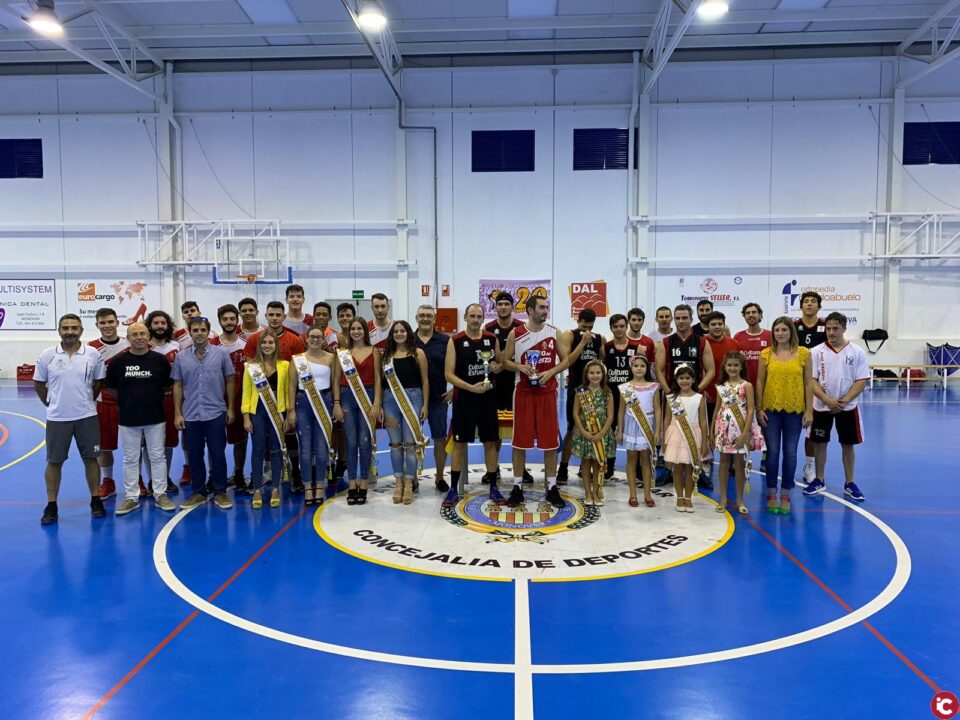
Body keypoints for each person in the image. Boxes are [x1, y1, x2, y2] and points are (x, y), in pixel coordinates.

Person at [502, 295, 590, 509]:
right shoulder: (517, 333)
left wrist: (551, 371)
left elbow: (566, 359)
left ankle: (551, 488)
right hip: (523, 393)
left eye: (547, 307)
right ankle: (517, 487)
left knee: (550, 443)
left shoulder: (554, 332)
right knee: (519, 443)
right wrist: (520, 367)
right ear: (530, 310)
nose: (545, 310)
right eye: (541, 307)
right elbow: (504, 360)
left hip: (547, 393)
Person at [34, 314, 107, 526]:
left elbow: (98, 382)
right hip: (57, 418)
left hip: (87, 417)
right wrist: (51, 404)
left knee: (91, 459)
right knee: (54, 461)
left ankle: (95, 500)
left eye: (74, 328)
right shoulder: (47, 355)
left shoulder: (92, 354)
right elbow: (39, 384)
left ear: (81, 331)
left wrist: (86, 401)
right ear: (59, 330)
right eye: (66, 328)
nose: (70, 332)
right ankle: (51, 505)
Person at [105, 322, 176, 515]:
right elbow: (111, 388)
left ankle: (160, 494)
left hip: (155, 417)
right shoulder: (117, 362)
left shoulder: (159, 360)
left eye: (142, 334)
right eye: (134, 334)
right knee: (130, 458)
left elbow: (166, 386)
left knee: (157, 456)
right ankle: (131, 497)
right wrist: (129, 400)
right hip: (128, 418)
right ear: (128, 338)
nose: (138, 337)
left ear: (148, 336)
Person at [443, 304, 505, 508]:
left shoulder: (491, 339)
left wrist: (497, 366)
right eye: (472, 316)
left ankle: (494, 486)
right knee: (460, 444)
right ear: (466, 317)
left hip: (487, 398)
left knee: (490, 442)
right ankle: (453, 489)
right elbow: (449, 374)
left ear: (483, 317)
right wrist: (470, 387)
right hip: (465, 399)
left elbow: (499, 364)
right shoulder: (456, 340)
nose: (476, 319)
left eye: (479, 316)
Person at [805, 312, 869, 502]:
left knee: (848, 445)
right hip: (822, 406)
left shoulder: (856, 352)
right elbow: (812, 380)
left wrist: (844, 400)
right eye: (828, 328)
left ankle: (850, 483)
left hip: (847, 407)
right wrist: (827, 399)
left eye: (835, 329)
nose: (831, 332)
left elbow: (861, 380)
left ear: (844, 328)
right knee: (820, 443)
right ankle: (819, 479)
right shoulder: (816, 351)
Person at [173, 317, 236, 510]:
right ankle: (198, 492)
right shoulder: (181, 357)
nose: (199, 333)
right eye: (195, 330)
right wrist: (178, 413)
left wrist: (231, 407)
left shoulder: (221, 354)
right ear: (190, 332)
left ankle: (220, 491)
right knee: (194, 455)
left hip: (215, 412)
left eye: (202, 330)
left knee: (217, 454)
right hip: (191, 414)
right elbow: (177, 384)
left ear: (208, 332)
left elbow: (230, 380)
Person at [243, 301, 306, 491]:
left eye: (278, 315)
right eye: (271, 315)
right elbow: (248, 387)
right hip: (258, 408)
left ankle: (293, 475)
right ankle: (258, 482)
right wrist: (246, 415)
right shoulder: (253, 343)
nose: (275, 318)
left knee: (286, 443)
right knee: (259, 448)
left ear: (283, 316)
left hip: (282, 406)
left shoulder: (293, 342)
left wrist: (290, 410)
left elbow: (295, 378)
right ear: (266, 316)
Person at [755, 317, 813, 515]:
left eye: (784, 330)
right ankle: (771, 492)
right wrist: (759, 408)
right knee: (772, 453)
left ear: (791, 332)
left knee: (790, 452)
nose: (780, 333)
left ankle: (786, 492)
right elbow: (760, 382)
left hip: (795, 410)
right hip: (770, 409)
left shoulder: (804, 354)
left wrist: (809, 410)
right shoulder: (766, 354)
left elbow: (808, 384)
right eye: (777, 330)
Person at [655, 304, 716, 490]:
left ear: (691, 319)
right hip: (674, 397)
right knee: (672, 432)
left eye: (684, 318)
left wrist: (698, 389)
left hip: (694, 397)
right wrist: (668, 392)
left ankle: (701, 470)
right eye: (678, 318)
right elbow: (658, 369)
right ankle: (667, 470)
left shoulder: (702, 341)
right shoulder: (666, 342)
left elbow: (711, 370)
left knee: (698, 431)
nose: (681, 321)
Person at [332, 317, 382, 505]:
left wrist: (376, 403)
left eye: (359, 328)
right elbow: (336, 380)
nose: (356, 331)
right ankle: (352, 483)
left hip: (368, 396)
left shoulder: (375, 351)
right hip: (346, 397)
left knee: (365, 441)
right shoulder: (342, 353)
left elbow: (378, 379)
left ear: (365, 331)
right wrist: (336, 402)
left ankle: (363, 483)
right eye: (353, 328)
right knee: (351, 442)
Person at [242, 333, 293, 509]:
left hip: (277, 412)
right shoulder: (251, 367)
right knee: (258, 450)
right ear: (259, 345)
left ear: (276, 345)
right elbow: (246, 392)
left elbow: (287, 392)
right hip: (257, 412)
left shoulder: (285, 365)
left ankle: (275, 488)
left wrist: (287, 414)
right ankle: (257, 488)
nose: (267, 345)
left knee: (276, 450)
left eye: (271, 342)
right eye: (264, 342)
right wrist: (246, 416)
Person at [381, 320, 429, 505]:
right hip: (390, 400)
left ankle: (409, 483)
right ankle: (398, 483)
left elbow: (425, 381)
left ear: (409, 333)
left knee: (410, 444)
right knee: (394, 444)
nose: (399, 334)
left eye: (403, 330)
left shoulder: (418, 354)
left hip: (414, 399)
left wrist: (424, 404)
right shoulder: (386, 357)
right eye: (396, 331)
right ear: (392, 334)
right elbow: (382, 383)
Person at [289, 325, 337, 505]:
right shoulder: (298, 360)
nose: (316, 340)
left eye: (319, 337)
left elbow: (335, 383)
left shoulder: (332, 358)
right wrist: (291, 410)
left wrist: (336, 404)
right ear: (307, 339)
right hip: (303, 403)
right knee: (306, 448)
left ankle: (320, 485)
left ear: (323, 340)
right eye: (312, 337)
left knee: (322, 447)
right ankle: (308, 485)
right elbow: (292, 385)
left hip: (325, 400)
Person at [711, 351, 764, 515]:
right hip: (723, 429)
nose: (732, 368)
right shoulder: (722, 387)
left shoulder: (746, 385)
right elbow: (718, 408)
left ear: (741, 366)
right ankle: (723, 499)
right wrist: (713, 430)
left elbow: (750, 410)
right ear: (724, 367)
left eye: (735, 365)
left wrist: (745, 433)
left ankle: (740, 499)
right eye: (729, 365)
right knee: (724, 464)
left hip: (740, 430)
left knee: (739, 465)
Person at [484, 292, 528, 483]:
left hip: (518, 383)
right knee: (495, 428)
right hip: (495, 385)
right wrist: (492, 365)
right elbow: (484, 356)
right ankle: (494, 469)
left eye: (506, 304)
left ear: (512, 307)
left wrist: (503, 364)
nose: (503, 307)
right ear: (495, 307)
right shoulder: (488, 328)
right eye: (500, 304)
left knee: (520, 427)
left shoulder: (521, 328)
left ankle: (522, 469)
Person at [558, 309, 604, 485]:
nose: (587, 329)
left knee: (594, 428)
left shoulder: (599, 338)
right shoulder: (570, 335)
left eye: (590, 326)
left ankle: (588, 465)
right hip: (576, 389)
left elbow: (602, 363)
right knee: (572, 429)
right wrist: (582, 343)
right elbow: (567, 361)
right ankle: (563, 466)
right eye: (584, 326)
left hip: (594, 391)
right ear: (578, 321)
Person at [89, 307, 130, 500]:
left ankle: (136, 478)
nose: (107, 326)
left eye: (110, 322)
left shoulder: (129, 343)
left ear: (117, 322)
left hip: (130, 401)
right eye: (103, 323)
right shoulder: (90, 349)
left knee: (134, 444)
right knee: (104, 446)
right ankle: (108, 481)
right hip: (103, 401)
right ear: (97, 325)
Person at [211, 304, 250, 492]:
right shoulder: (211, 345)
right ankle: (215, 475)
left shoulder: (246, 346)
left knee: (240, 440)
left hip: (240, 399)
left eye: (232, 319)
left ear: (237, 320)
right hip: (215, 400)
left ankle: (239, 473)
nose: (229, 322)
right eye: (225, 319)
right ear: (220, 321)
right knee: (214, 441)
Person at [414, 304, 452, 492]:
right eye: (422, 315)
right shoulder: (408, 340)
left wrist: (454, 391)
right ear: (416, 318)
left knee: (439, 438)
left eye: (429, 315)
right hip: (412, 399)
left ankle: (439, 477)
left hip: (439, 398)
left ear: (435, 319)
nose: (425, 318)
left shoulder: (445, 341)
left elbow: (456, 366)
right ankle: (412, 478)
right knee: (412, 440)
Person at [662, 364, 708, 513]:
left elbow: (702, 420)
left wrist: (705, 440)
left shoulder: (699, 398)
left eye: (688, 378)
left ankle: (688, 498)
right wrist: (664, 440)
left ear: (693, 379)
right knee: (678, 467)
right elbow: (667, 418)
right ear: (676, 379)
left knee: (690, 468)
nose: (684, 381)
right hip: (676, 435)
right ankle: (679, 497)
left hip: (693, 435)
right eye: (681, 378)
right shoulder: (671, 398)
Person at [616, 355, 660, 508]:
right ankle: (633, 495)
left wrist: (658, 430)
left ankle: (647, 494)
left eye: (642, 366)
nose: (639, 368)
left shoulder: (654, 386)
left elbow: (658, 409)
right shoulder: (625, 387)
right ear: (631, 368)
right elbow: (621, 410)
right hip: (630, 425)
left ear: (647, 368)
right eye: (636, 366)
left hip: (647, 424)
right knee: (631, 460)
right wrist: (620, 429)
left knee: (646, 461)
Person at [602, 313, 643, 479]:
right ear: (611, 328)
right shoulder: (606, 348)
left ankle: (638, 468)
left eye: (621, 326)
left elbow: (642, 371)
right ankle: (609, 466)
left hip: (630, 395)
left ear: (626, 327)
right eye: (615, 326)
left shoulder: (637, 348)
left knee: (634, 430)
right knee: (610, 433)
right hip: (611, 395)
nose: (619, 329)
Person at [146, 309, 183, 488]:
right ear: (150, 326)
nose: (159, 326)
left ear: (168, 326)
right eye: (156, 323)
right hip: (149, 401)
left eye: (163, 323)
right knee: (149, 443)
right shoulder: (144, 347)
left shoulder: (176, 346)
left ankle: (165, 477)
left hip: (170, 399)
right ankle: (152, 478)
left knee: (167, 441)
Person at [572, 360, 615, 507]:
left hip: (601, 434)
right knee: (586, 463)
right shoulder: (581, 392)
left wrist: (602, 433)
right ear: (586, 375)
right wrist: (583, 431)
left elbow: (610, 416)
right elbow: (576, 413)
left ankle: (596, 492)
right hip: (585, 433)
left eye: (598, 372)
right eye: (592, 373)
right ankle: (587, 492)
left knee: (598, 462)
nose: (595, 376)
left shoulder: (607, 392)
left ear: (603, 374)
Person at [702, 311, 741, 474]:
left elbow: (738, 368)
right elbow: (700, 368)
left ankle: (731, 462)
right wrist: (702, 389)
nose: (717, 327)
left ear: (724, 324)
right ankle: (706, 464)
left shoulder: (733, 343)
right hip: (708, 394)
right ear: (707, 326)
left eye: (720, 324)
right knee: (707, 429)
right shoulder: (702, 342)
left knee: (730, 428)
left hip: (729, 397)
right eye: (713, 324)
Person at [794, 291, 826, 484]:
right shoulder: (794, 326)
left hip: (817, 383)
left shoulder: (825, 326)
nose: (809, 304)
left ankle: (810, 465)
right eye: (806, 301)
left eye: (813, 301)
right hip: (796, 381)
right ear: (801, 306)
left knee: (812, 429)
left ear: (819, 306)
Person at [734, 302, 772, 390]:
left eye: (754, 312)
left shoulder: (770, 335)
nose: (751, 315)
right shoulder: (738, 336)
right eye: (747, 313)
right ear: (744, 317)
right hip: (744, 386)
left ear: (760, 315)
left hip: (766, 385)